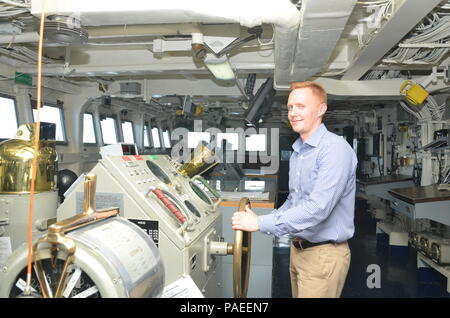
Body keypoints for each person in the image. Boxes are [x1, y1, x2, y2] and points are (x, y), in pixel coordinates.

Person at [231, 81, 357, 298]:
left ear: (321, 109)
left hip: (323, 254)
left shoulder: (334, 150)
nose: (293, 113)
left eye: (301, 106)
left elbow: (318, 209)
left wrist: (260, 223)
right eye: (290, 107)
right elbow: (294, 201)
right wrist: (264, 218)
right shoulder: (300, 151)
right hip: (298, 249)